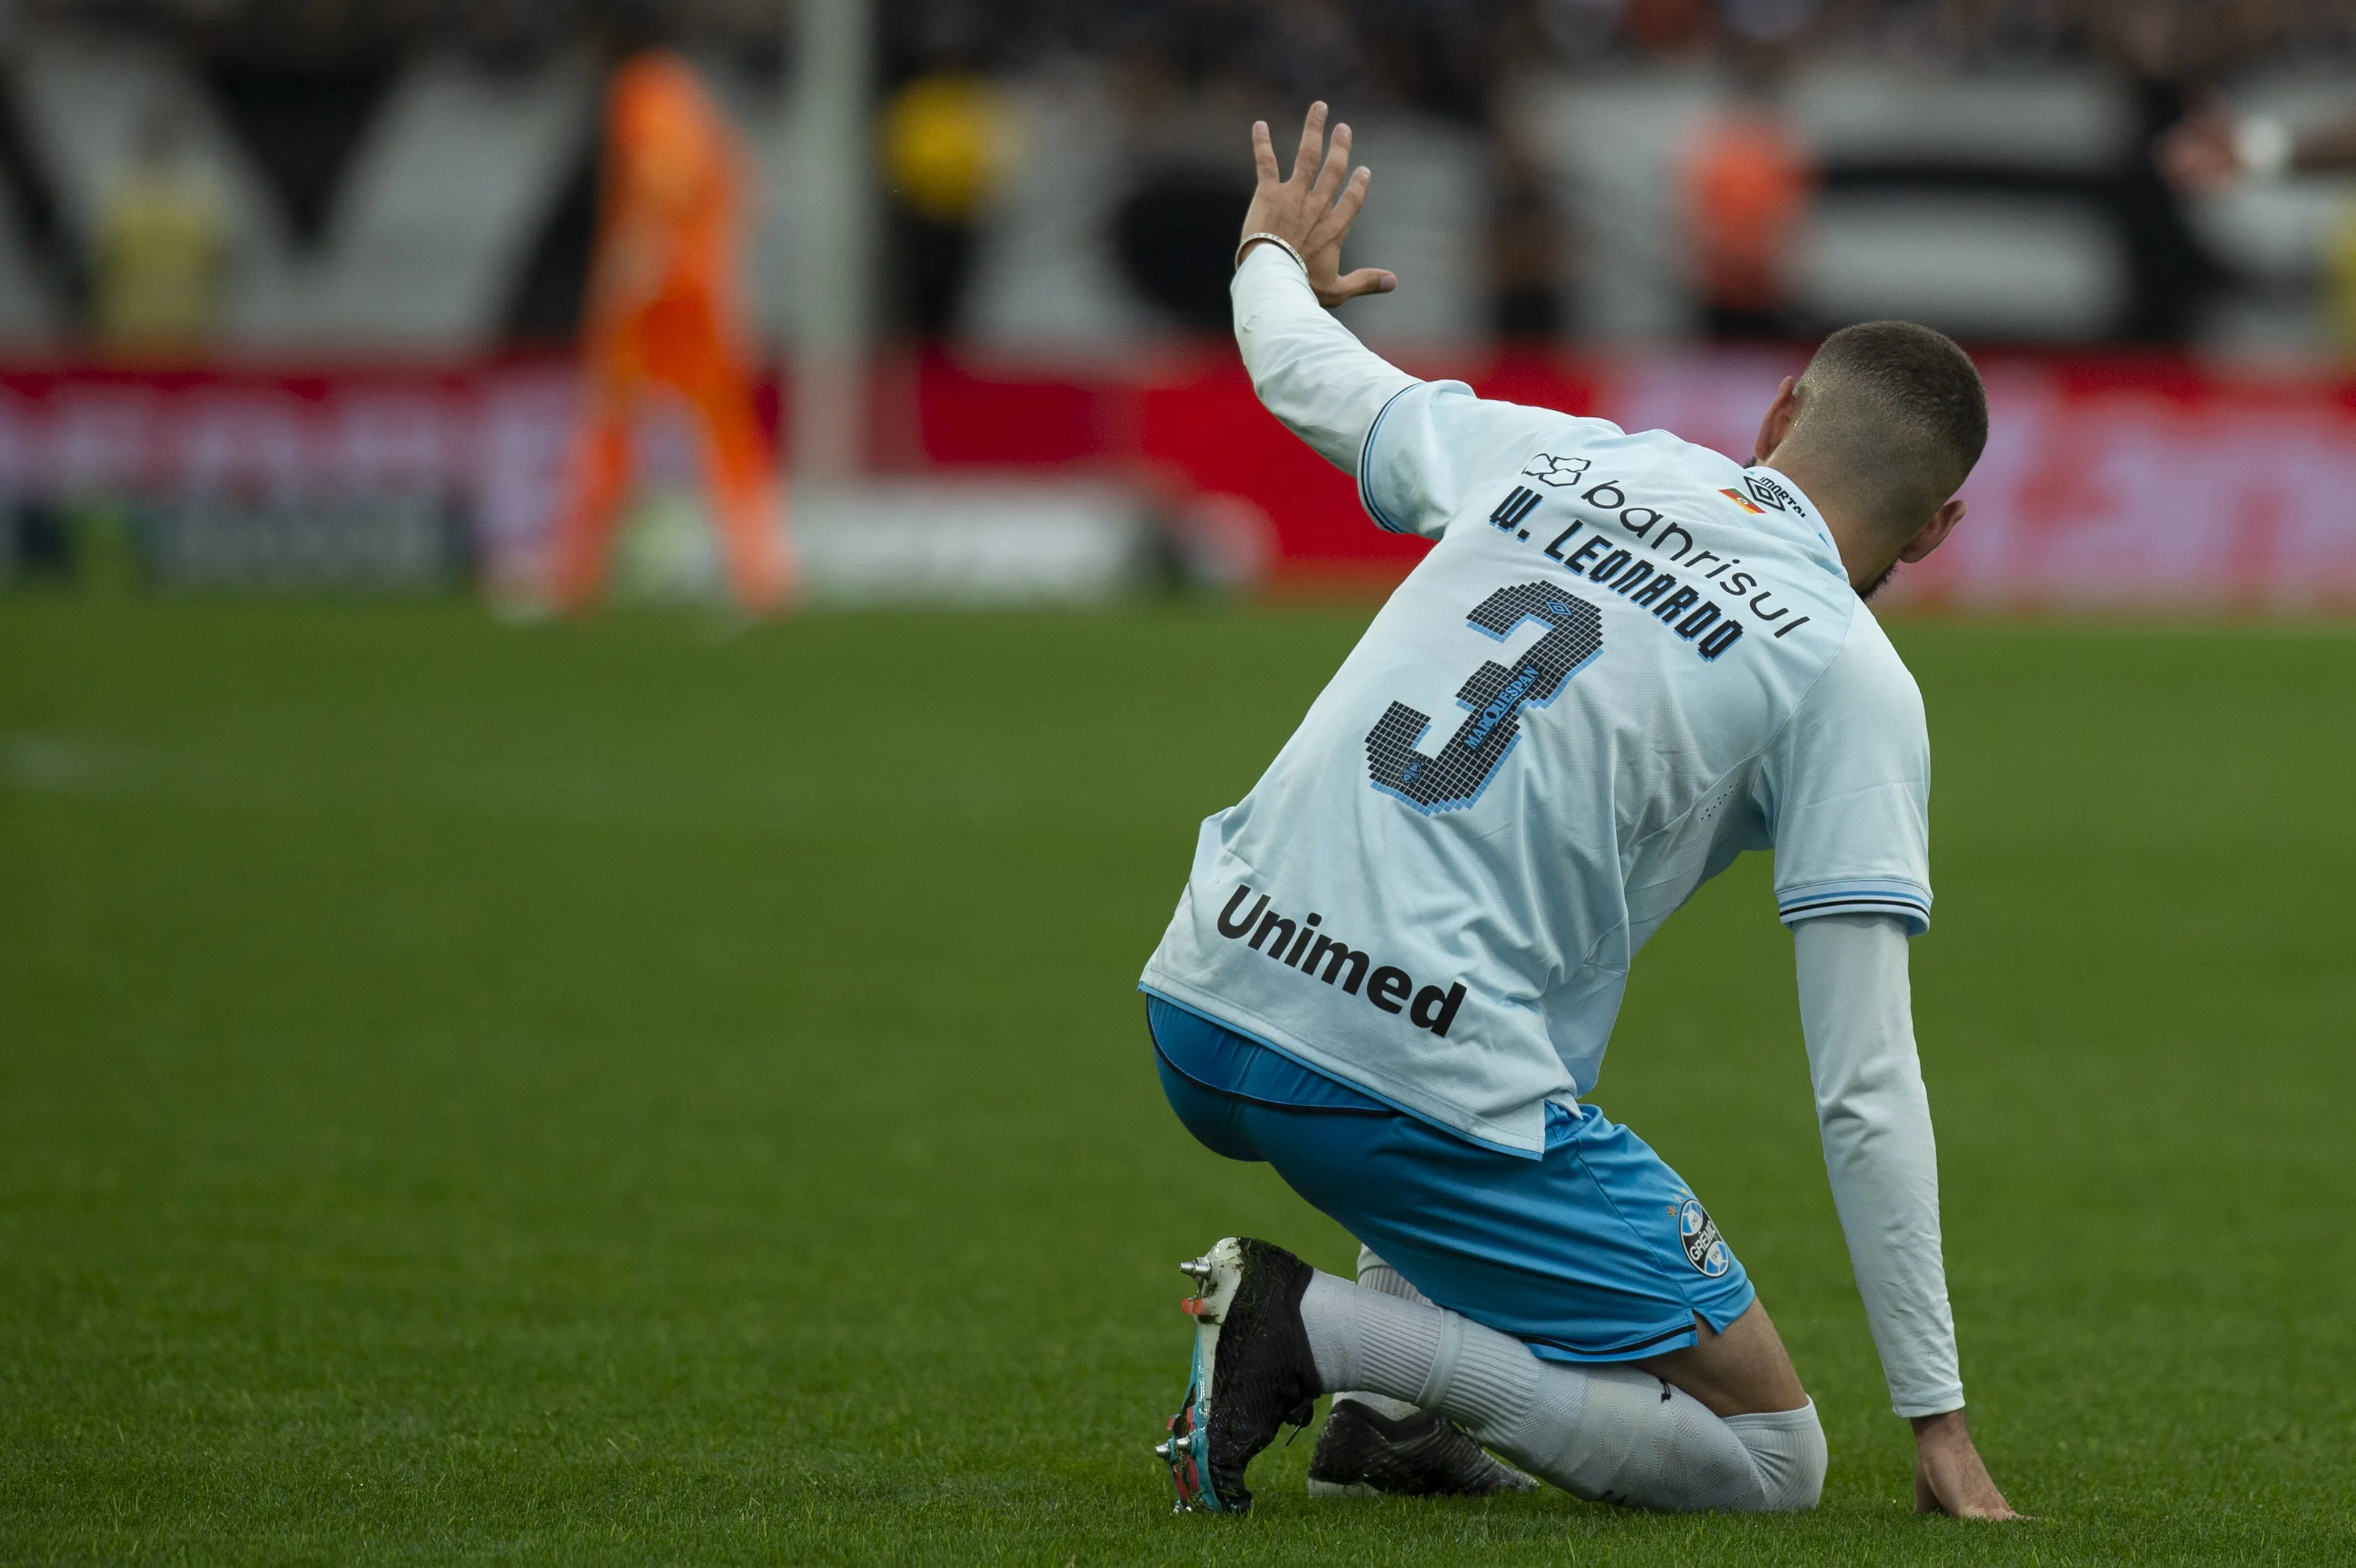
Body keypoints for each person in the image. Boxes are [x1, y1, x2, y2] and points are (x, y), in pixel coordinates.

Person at [1138, 104, 2020, 1520]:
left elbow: (1304, 371)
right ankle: (1314, 1331)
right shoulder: (1848, 670)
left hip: (1203, 992)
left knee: (1536, 965)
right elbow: (1865, 1082)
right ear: (1934, 530)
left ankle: (1389, 1412)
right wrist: (1938, 1419)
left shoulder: (1566, 453)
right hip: (1380, 1073)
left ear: (1780, 411)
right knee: (1775, 1462)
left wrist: (1266, 254)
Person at [546, 29, 793, 614]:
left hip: (659, 287)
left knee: (611, 418)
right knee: (724, 428)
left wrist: (641, 253)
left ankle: (576, 576)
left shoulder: (643, 91)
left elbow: (666, 173)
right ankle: (763, 576)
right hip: (706, 285)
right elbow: (745, 186)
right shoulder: (695, 98)